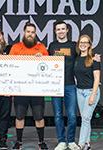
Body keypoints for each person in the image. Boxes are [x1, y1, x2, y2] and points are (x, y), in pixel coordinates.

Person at [9, 22, 48, 150]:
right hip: (20, 91)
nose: (30, 34)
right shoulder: (15, 47)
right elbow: (9, 67)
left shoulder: (41, 48)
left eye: (33, 32)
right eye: (28, 32)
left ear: (35, 34)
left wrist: (42, 59)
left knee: (39, 117)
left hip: (37, 91)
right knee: (19, 117)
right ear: (24, 33)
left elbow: (48, 68)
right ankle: (19, 142)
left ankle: (41, 142)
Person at [48, 21, 80, 150]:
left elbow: (84, 58)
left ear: (67, 30)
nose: (60, 31)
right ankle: (61, 141)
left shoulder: (74, 45)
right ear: (55, 32)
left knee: (72, 115)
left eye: (63, 29)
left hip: (70, 85)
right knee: (57, 115)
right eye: (58, 29)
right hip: (55, 86)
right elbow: (46, 63)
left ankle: (71, 140)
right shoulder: (52, 45)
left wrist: (94, 58)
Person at [74, 35, 100, 150]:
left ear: (89, 45)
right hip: (79, 91)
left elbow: (97, 79)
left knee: (85, 118)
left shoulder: (94, 58)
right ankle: (87, 144)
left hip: (91, 91)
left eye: (85, 42)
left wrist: (93, 95)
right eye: (81, 42)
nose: (83, 44)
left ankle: (80, 144)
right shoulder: (77, 58)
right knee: (86, 118)